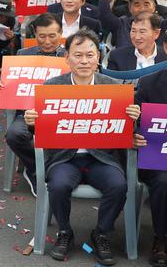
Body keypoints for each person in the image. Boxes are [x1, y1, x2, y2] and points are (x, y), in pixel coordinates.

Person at [24, 29, 140, 265]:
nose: (84, 61)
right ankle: (65, 231)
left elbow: (130, 133)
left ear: (98, 57)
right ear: (67, 57)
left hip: (101, 158)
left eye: (89, 55)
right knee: (57, 185)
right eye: (78, 55)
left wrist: (134, 117)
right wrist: (32, 122)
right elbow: (42, 131)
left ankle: (101, 232)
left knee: (118, 186)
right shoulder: (52, 86)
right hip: (65, 157)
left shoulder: (115, 87)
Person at [0, 13, 66, 197]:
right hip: (28, 112)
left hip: (62, 113)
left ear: (61, 33)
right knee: (14, 134)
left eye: (52, 36)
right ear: (35, 35)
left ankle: (56, 170)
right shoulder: (22, 55)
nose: (47, 41)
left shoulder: (70, 56)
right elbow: (11, 88)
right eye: (42, 36)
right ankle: (35, 169)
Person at [134, 68, 167, 267]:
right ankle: (161, 238)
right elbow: (135, 121)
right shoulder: (148, 84)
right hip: (157, 155)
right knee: (163, 180)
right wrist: (136, 135)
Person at [100, 0, 165, 48]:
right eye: (137, 5)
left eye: (146, 5)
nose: (142, 9)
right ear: (130, 8)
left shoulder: (162, 24)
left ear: (154, 7)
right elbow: (104, 15)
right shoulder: (122, 24)